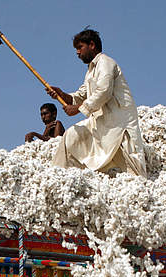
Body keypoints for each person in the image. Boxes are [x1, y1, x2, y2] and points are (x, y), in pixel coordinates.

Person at [45, 28, 148, 177]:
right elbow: (79, 96)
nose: (77, 53)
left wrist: (78, 108)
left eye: (80, 47)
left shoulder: (106, 63)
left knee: (133, 170)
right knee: (72, 136)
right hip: (101, 124)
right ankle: (59, 176)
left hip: (119, 124)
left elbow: (104, 91)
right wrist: (61, 94)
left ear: (92, 45)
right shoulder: (90, 72)